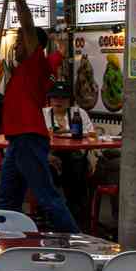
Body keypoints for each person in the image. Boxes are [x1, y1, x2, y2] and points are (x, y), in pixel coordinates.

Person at [0, 0, 79, 232]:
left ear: (34, 45)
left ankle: (77, 242)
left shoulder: (35, 63)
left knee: (46, 196)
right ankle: (10, 243)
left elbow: (27, 22)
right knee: (8, 199)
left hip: (28, 137)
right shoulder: (25, 70)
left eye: (20, 41)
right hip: (17, 140)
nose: (16, 46)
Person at [41, 82, 95, 218]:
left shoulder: (78, 113)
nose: (58, 101)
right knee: (48, 171)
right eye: (55, 97)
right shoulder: (43, 114)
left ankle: (76, 210)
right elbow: (37, 138)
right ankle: (51, 211)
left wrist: (65, 131)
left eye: (63, 98)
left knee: (76, 165)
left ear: (70, 100)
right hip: (50, 155)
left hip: (75, 155)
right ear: (50, 99)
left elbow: (91, 134)